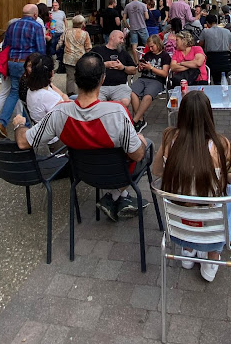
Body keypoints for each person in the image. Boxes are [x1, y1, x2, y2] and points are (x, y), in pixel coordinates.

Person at [12, 52, 149, 221]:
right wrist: (141, 140)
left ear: (75, 79)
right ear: (102, 79)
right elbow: (137, 154)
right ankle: (116, 195)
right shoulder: (117, 112)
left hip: (83, 174)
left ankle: (116, 197)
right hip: (116, 172)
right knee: (145, 144)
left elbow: (23, 142)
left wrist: (19, 123)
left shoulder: (59, 112)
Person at [152, 91, 231, 281]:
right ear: (209, 115)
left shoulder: (169, 138)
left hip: (178, 232)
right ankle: (212, 257)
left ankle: (187, 251)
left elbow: (157, 171)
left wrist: (180, 173)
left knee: (185, 190)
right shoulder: (221, 145)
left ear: (181, 114)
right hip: (212, 231)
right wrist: (225, 179)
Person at [0, 4, 46, 139]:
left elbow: (5, 46)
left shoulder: (12, 26)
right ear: (35, 14)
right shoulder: (37, 27)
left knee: (14, 93)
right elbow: (41, 49)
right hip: (26, 64)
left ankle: (2, 122)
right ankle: (29, 125)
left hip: (12, 62)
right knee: (29, 92)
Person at [131, 35, 171, 133]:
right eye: (149, 46)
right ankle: (140, 120)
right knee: (131, 92)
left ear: (158, 44)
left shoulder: (165, 56)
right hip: (143, 78)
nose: (151, 48)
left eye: (152, 46)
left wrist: (151, 68)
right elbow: (140, 70)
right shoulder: (147, 55)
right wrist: (140, 67)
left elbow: (165, 73)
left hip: (157, 80)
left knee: (147, 96)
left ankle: (135, 120)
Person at [93, 30, 136, 107]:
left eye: (123, 39)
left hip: (119, 86)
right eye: (120, 38)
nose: (122, 41)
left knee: (124, 102)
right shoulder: (98, 50)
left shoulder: (123, 53)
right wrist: (104, 65)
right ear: (112, 37)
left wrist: (123, 68)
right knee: (97, 104)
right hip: (100, 86)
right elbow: (87, 64)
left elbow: (133, 70)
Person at [26, 54, 69, 128]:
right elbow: (66, 114)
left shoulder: (32, 89)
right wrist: (66, 98)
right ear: (52, 73)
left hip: (42, 125)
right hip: (56, 133)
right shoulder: (47, 96)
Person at [57, 15, 92, 95]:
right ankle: (81, 93)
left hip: (68, 58)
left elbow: (60, 42)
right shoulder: (85, 34)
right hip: (81, 58)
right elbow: (88, 48)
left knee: (70, 78)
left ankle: (70, 94)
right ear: (82, 23)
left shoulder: (66, 32)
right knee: (81, 76)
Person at [123, 0, 149, 64]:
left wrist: (128, 26)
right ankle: (147, 60)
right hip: (142, 27)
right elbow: (147, 17)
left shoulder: (128, 6)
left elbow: (124, 18)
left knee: (134, 46)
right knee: (148, 44)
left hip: (133, 28)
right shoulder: (143, 5)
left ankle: (136, 63)